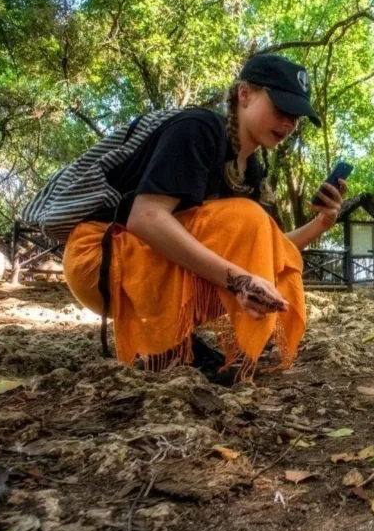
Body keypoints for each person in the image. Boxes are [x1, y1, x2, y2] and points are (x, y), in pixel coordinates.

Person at [60, 54, 346, 383]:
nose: (288, 123)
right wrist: (239, 279)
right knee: (247, 225)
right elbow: (146, 218)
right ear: (244, 94)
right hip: (98, 260)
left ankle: (174, 345)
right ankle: (165, 345)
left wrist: (321, 223)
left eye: (296, 116)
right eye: (282, 108)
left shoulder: (250, 167)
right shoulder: (199, 128)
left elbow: (266, 246)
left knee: (254, 238)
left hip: (139, 262)